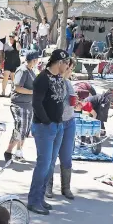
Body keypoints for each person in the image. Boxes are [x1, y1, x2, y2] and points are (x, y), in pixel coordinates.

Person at [27, 49, 69, 215]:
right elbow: (36, 104)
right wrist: (47, 122)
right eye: (66, 63)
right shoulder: (42, 79)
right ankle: (33, 200)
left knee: (50, 165)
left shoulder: (59, 77)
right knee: (43, 164)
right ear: (59, 62)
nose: (67, 67)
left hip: (58, 125)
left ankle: (40, 197)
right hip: (45, 127)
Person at [46, 58, 77, 200]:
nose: (71, 71)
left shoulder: (69, 82)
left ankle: (66, 188)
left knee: (66, 157)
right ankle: (48, 186)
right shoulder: (55, 82)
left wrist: (78, 105)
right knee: (51, 157)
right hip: (57, 122)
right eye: (69, 68)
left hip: (69, 121)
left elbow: (71, 101)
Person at [4, 51, 39, 162]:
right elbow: (17, 88)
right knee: (20, 129)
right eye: (36, 60)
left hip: (28, 105)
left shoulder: (30, 70)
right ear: (33, 60)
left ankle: (19, 152)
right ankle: (9, 151)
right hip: (19, 104)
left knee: (25, 130)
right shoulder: (22, 70)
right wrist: (33, 92)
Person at [0, 32, 21, 97]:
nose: (11, 38)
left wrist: (16, 40)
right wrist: (1, 62)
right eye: (10, 36)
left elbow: (19, 48)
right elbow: (3, 54)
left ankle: (12, 91)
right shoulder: (5, 45)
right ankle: (3, 91)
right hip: (7, 63)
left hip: (15, 63)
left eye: (13, 37)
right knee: (5, 76)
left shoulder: (16, 44)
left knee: (13, 78)